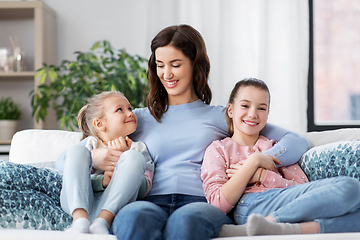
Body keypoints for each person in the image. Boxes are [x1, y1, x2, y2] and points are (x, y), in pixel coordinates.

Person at [81, 24, 310, 240]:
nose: (167, 74)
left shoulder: (222, 116)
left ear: (195, 64)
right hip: (149, 201)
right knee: (133, 218)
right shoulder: (137, 117)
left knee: (187, 222)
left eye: (176, 64)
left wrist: (263, 160)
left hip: (201, 203)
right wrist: (96, 157)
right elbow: (71, 158)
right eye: (160, 65)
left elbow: (296, 141)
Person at [202, 78, 360, 237]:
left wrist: (263, 176)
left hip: (288, 202)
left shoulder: (276, 147)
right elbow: (217, 204)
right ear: (230, 110)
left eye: (261, 108)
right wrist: (253, 162)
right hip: (251, 204)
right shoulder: (218, 149)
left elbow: (301, 186)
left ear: (267, 114)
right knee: (350, 186)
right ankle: (271, 223)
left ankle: (278, 227)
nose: (253, 114)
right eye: (245, 105)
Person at [56, 91, 154, 234]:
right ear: (99, 124)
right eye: (120, 109)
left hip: (114, 208)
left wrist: (123, 158)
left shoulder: (138, 149)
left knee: (135, 158)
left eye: (130, 108)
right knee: (77, 152)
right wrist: (101, 181)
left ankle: (102, 221)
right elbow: (66, 169)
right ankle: (79, 220)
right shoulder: (89, 145)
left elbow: (145, 188)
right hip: (79, 203)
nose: (130, 113)